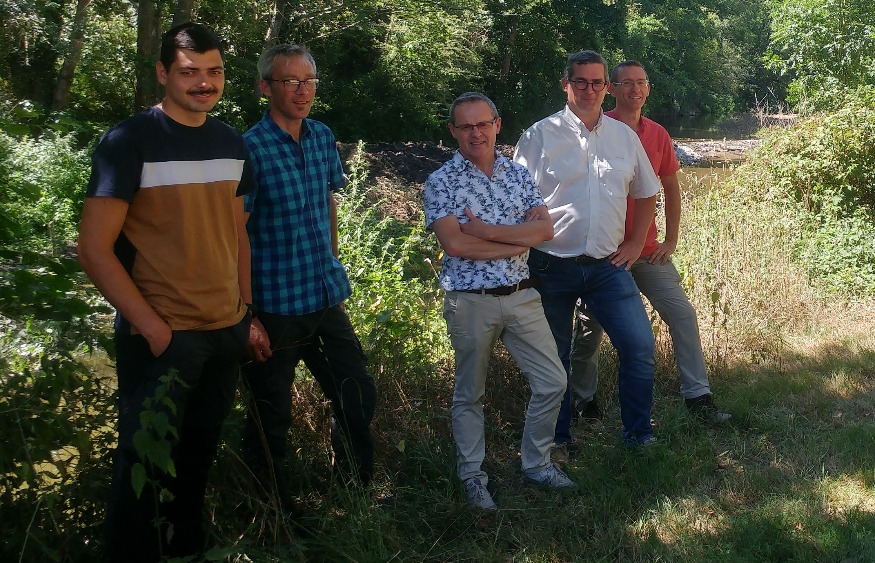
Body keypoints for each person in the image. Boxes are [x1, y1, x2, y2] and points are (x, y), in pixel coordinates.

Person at [77, 22, 263, 561]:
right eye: (189, 72)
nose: (204, 83)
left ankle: (188, 552)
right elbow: (94, 249)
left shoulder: (231, 142)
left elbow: (237, 234)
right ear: (163, 73)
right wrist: (155, 330)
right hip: (163, 339)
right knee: (142, 473)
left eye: (214, 71)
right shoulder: (129, 141)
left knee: (197, 463)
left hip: (224, 331)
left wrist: (245, 313)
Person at [424, 92, 575, 510]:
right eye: (466, 126)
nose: (476, 133)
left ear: (497, 125)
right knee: (469, 394)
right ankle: (473, 477)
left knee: (553, 381)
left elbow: (544, 231)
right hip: (470, 301)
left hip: (522, 295)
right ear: (453, 131)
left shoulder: (518, 175)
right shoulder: (441, 181)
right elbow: (455, 245)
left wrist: (486, 231)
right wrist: (515, 241)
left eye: (483, 124)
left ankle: (536, 464)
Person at [240, 44, 376, 510]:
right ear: (266, 87)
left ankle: (353, 491)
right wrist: (246, 314)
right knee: (271, 413)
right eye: (290, 82)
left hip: (323, 296)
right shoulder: (249, 148)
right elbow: (235, 232)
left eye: (309, 81)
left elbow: (328, 203)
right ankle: (273, 513)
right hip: (274, 305)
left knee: (356, 391)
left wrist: (333, 266)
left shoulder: (321, 136)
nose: (303, 91)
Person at [513, 50, 662, 451]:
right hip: (550, 266)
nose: (589, 89)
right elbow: (517, 200)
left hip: (608, 267)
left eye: (597, 82)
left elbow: (647, 191)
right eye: (580, 81)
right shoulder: (539, 136)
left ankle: (639, 436)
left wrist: (635, 243)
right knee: (554, 357)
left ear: (607, 87)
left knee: (639, 346)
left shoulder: (624, 137)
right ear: (566, 85)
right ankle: (558, 441)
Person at [568, 61, 731, 424]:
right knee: (590, 329)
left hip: (646, 253)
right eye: (627, 83)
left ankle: (698, 396)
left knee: (682, 314)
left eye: (641, 83)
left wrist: (671, 240)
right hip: (604, 255)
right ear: (611, 88)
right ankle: (583, 400)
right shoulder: (597, 129)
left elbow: (670, 188)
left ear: (649, 88)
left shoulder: (657, 134)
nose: (635, 90)